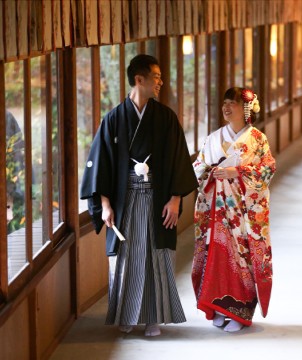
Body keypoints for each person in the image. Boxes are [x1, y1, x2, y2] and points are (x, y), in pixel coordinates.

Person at [80, 54, 198, 337]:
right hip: (126, 201)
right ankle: (126, 314)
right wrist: (105, 204)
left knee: (155, 256)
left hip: (158, 199)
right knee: (126, 258)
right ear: (139, 79)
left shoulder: (165, 118)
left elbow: (178, 159)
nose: (160, 83)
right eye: (156, 77)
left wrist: (175, 197)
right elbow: (101, 163)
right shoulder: (114, 119)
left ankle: (153, 318)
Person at [191, 87, 276, 332]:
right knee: (216, 255)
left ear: (246, 109)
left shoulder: (257, 138)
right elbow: (198, 167)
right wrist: (209, 172)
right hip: (216, 210)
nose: (227, 108)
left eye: (233, 104)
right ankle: (218, 307)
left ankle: (240, 310)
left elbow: (267, 169)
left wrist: (236, 172)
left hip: (243, 212)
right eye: (225, 103)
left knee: (241, 257)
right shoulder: (213, 137)